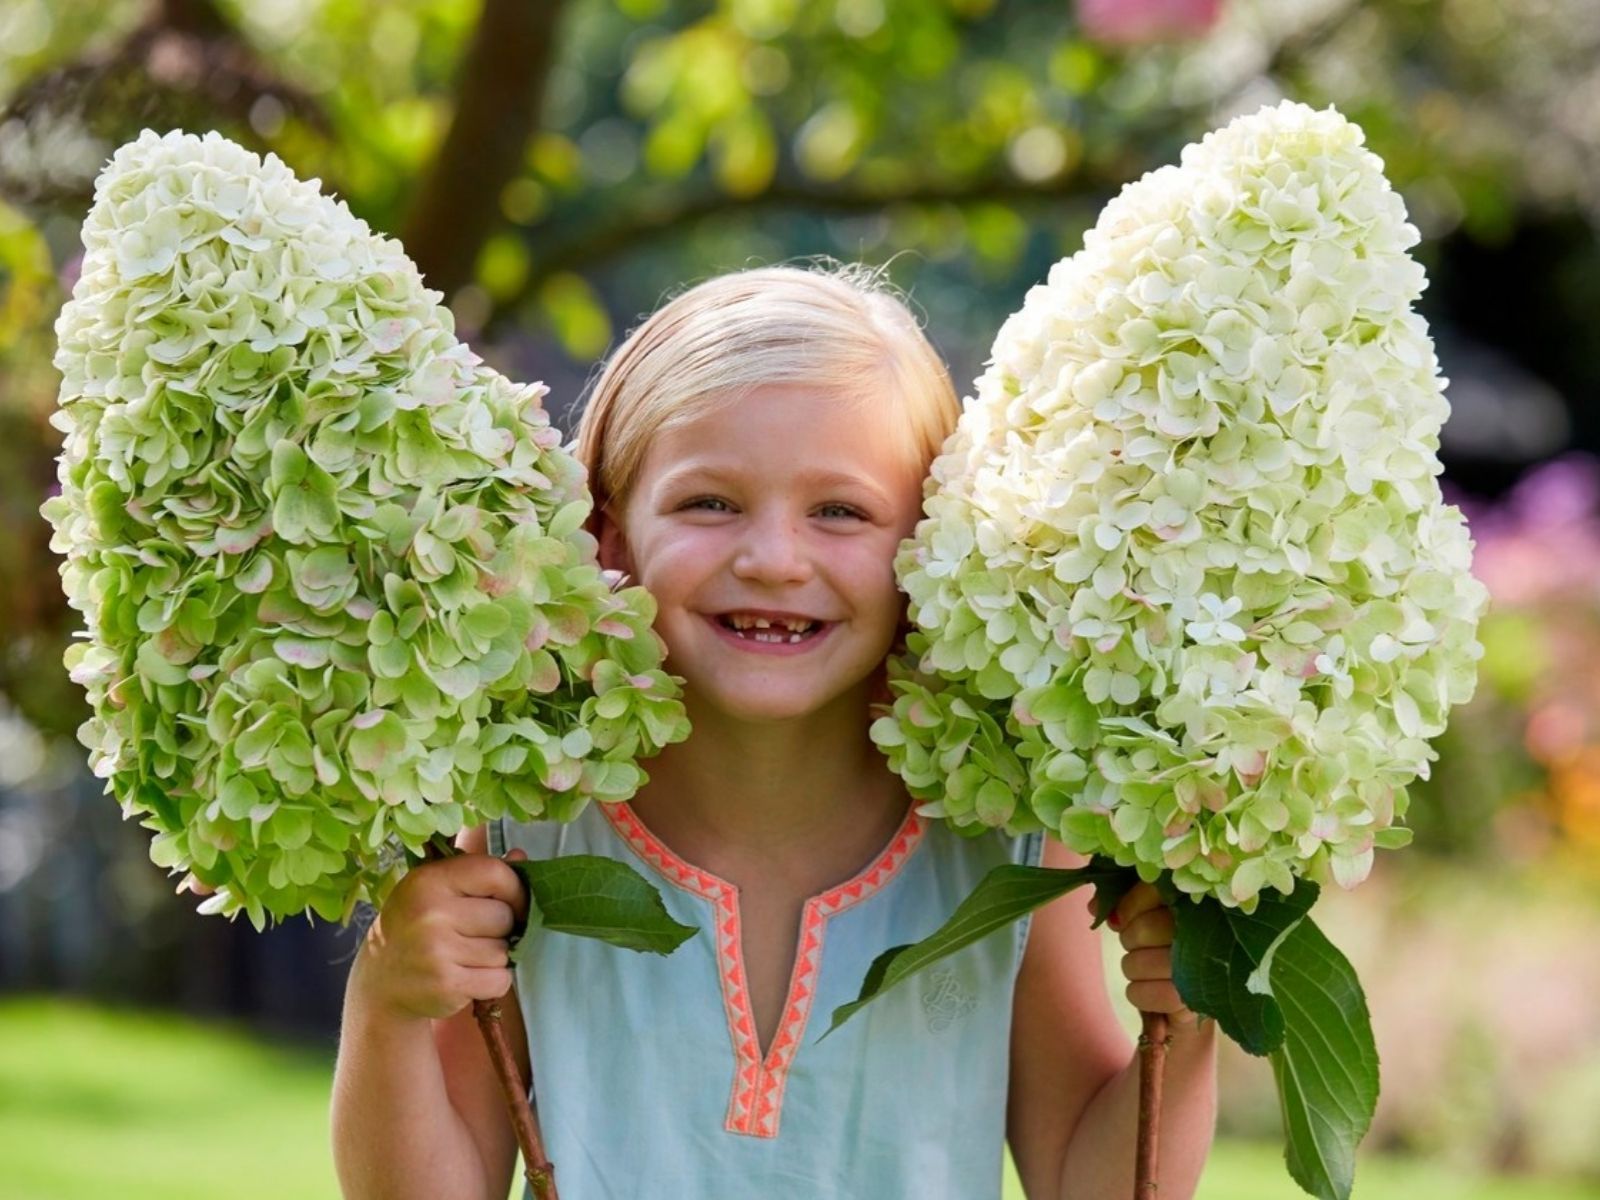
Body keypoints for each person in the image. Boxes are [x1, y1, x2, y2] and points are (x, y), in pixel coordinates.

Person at [330, 264, 1217, 1199]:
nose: (773, 560)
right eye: (708, 503)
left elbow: (1092, 1181)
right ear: (611, 534)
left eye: (840, 511)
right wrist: (388, 999)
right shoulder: (534, 828)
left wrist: (1190, 1028)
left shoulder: (1005, 842)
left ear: (931, 545)